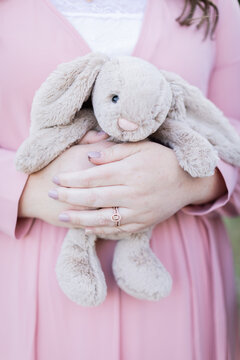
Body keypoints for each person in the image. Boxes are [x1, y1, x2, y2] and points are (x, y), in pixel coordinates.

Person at [0, 0, 240, 359]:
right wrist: (26, 190)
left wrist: (190, 181)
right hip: (26, 281)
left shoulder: (220, 6)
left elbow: (231, 132)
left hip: (178, 290)